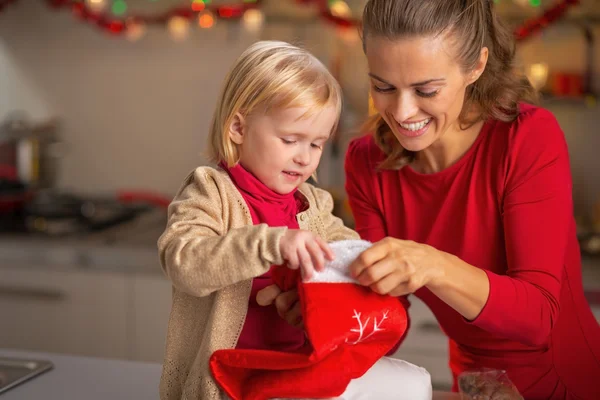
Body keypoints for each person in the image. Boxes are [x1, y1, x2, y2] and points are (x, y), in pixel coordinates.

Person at [260, 1, 600, 398]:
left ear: (475, 66)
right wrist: (325, 312)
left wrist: (432, 264)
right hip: (474, 386)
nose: (402, 112)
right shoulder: (368, 162)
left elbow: (538, 316)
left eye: (427, 90)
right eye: (383, 87)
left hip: (564, 382)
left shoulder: (527, 139)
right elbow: (389, 314)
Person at [156, 40, 360, 400]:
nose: (304, 158)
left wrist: (369, 261)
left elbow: (346, 251)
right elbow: (183, 261)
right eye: (290, 139)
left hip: (295, 379)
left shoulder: (313, 204)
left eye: (316, 145)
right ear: (238, 127)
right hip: (224, 386)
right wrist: (271, 243)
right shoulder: (210, 192)